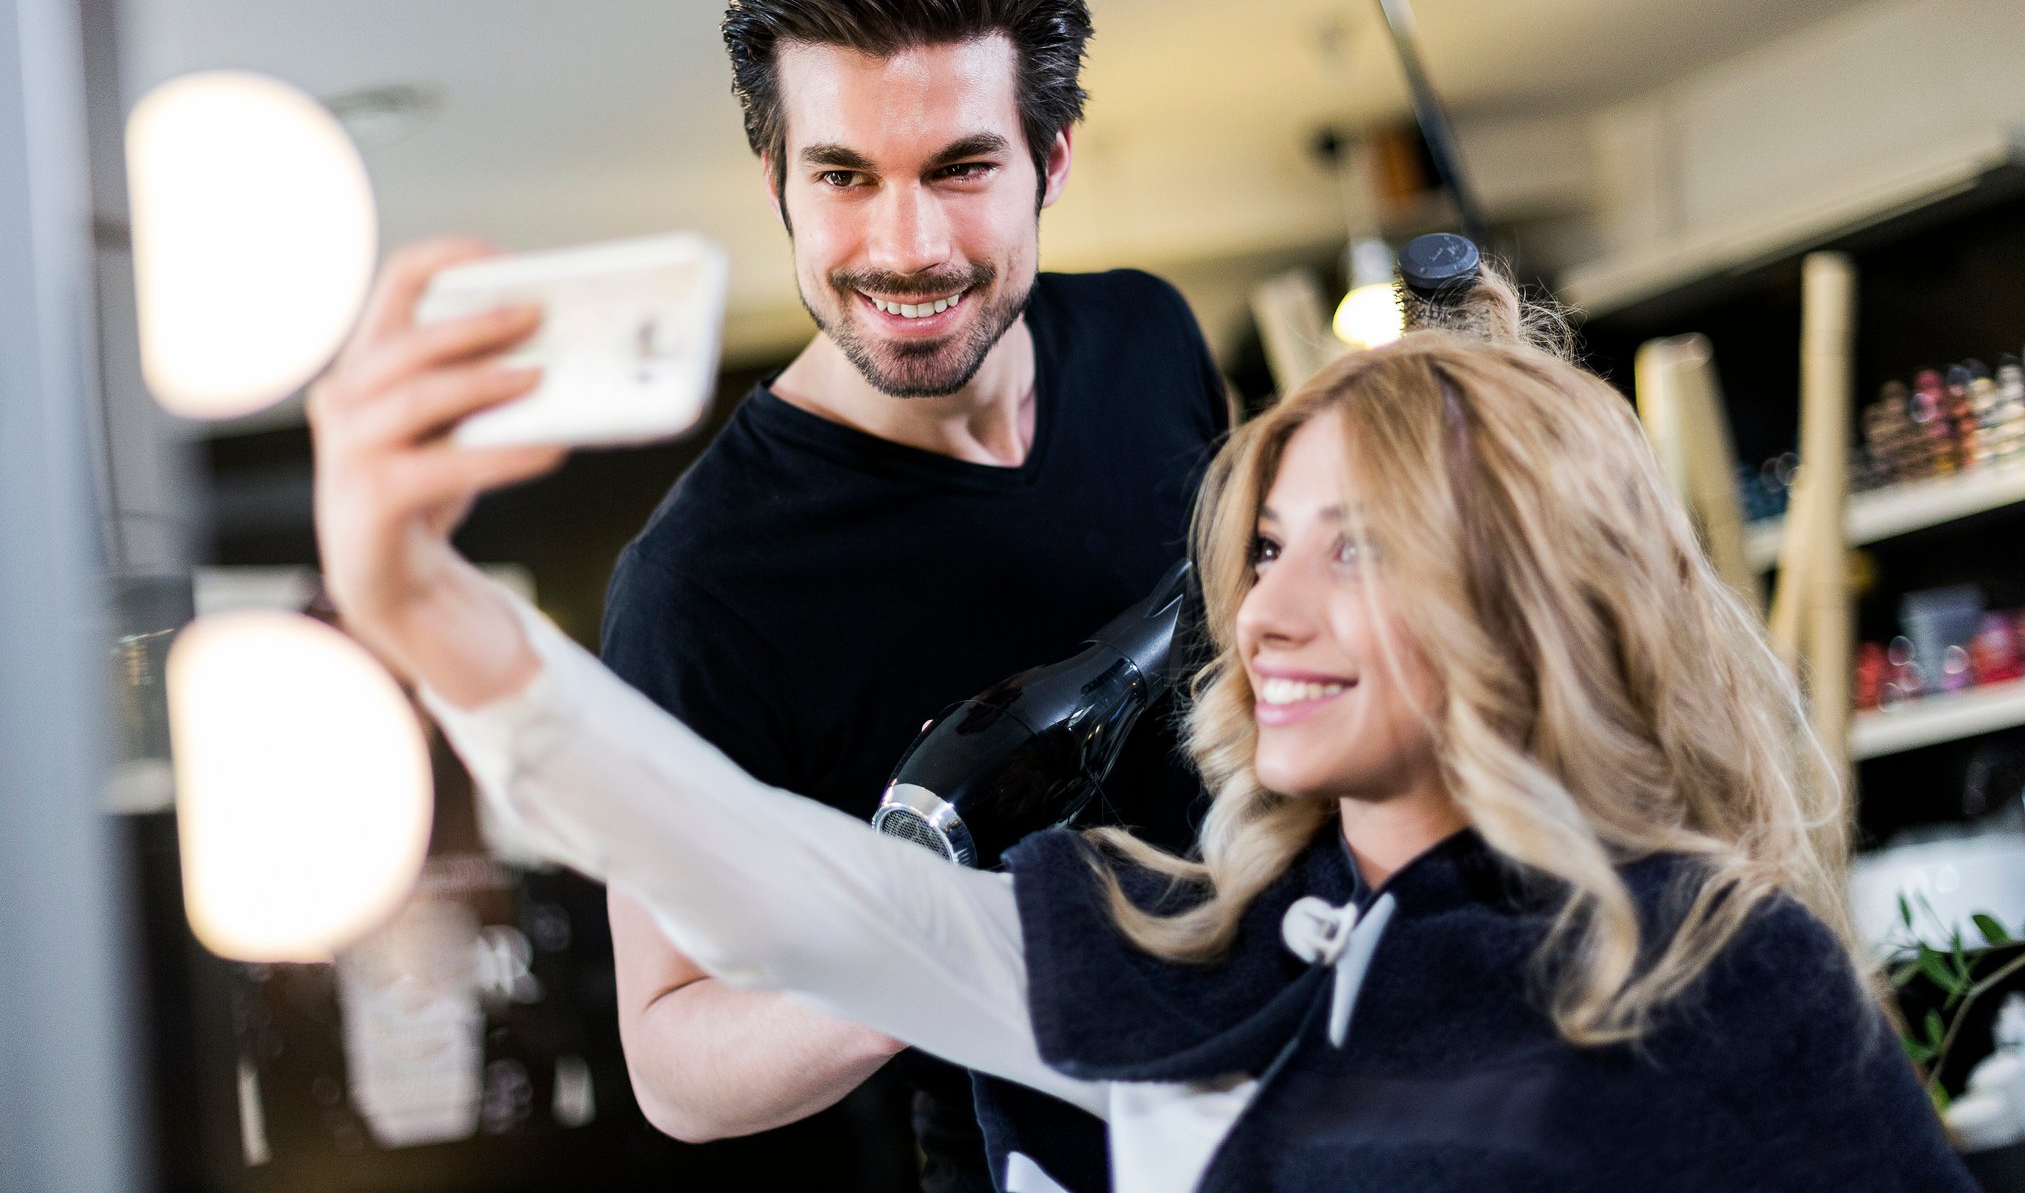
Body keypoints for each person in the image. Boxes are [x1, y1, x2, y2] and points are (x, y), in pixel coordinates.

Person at [312, 267, 1974, 1192]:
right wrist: (428, 616)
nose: (1268, 614)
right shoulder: (1184, 949)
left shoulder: (1716, 972)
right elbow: (796, 898)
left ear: (1529, 595)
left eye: (1358, 548)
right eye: (1260, 548)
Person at [316, 0, 1227, 1192]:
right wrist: (954, 940)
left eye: (962, 167)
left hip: (1306, 1065)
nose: (903, 245)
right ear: (776, 179)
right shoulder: (706, 582)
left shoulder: (1148, 337)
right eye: (843, 176)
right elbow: (676, 1058)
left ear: (1053, 159)